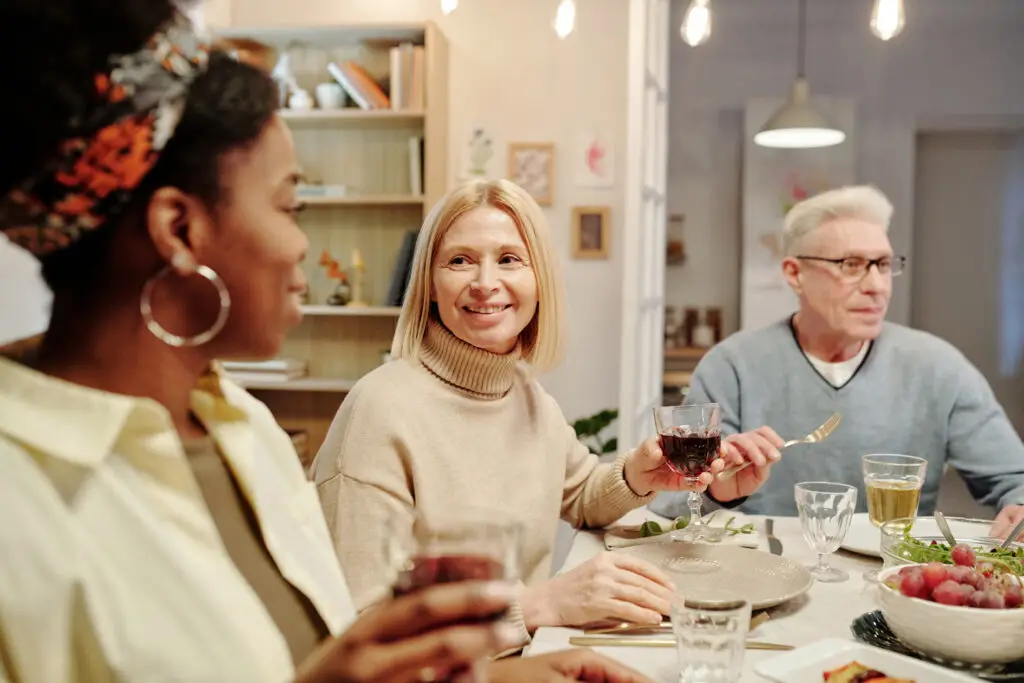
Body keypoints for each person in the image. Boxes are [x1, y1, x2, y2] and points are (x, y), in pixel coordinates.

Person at [0, 2, 653, 682]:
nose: (303, 244)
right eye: (290, 207)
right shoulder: (19, 508)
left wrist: (535, 674)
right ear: (180, 231)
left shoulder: (243, 431)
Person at [310, 178, 774, 646]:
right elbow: (361, 627)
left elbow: (581, 495)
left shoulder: (525, 394)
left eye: (509, 259)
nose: (485, 283)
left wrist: (642, 474)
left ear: (539, 282)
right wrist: (537, 605)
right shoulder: (378, 411)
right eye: (459, 261)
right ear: (430, 284)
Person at [650, 185, 1024, 538]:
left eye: (883, 264)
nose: (876, 286)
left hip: (894, 577)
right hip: (768, 574)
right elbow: (670, 501)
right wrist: (721, 490)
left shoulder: (939, 367)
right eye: (851, 264)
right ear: (795, 274)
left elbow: (1015, 477)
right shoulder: (731, 366)